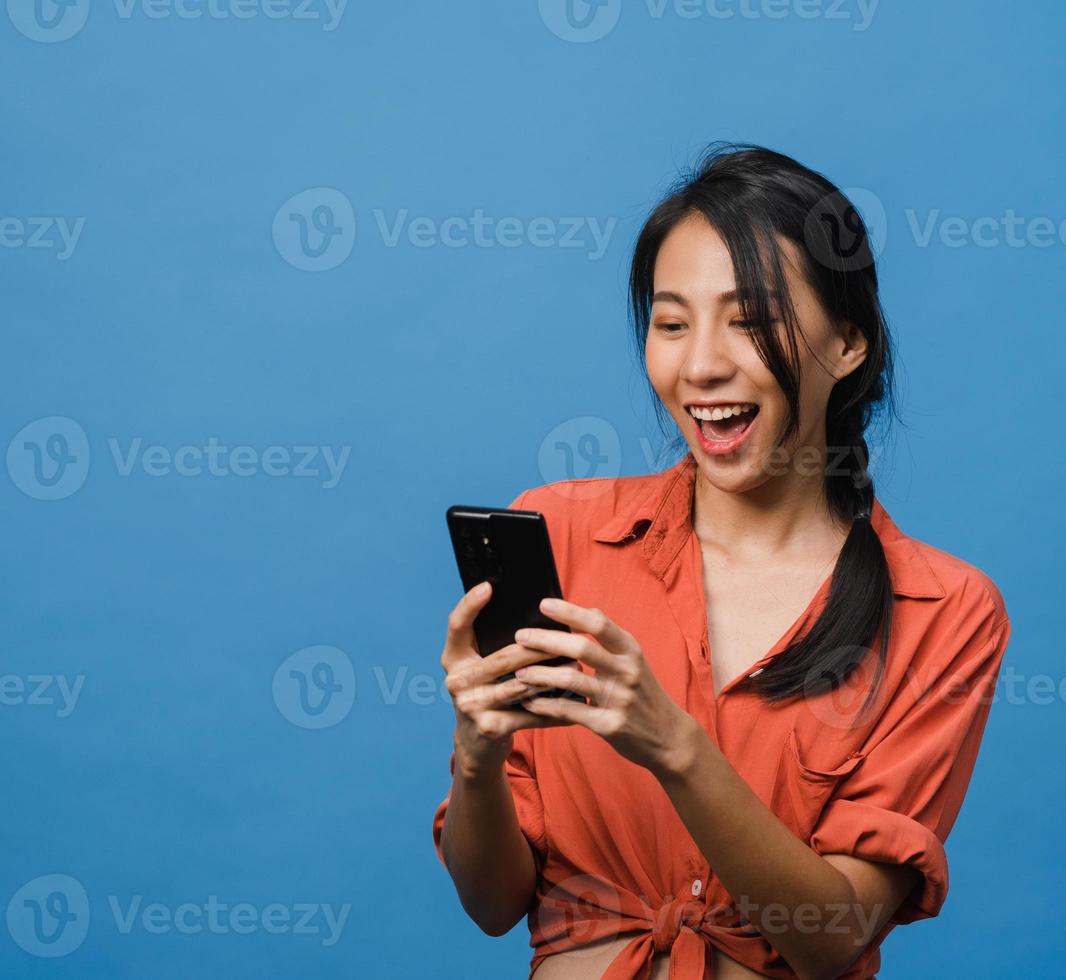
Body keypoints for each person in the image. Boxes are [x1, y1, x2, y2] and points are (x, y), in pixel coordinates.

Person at [432, 144, 1011, 979]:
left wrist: (675, 746)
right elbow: (491, 906)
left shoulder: (944, 610)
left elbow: (830, 936)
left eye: (751, 318)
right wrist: (476, 752)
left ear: (848, 342)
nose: (701, 365)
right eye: (672, 323)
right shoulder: (559, 530)